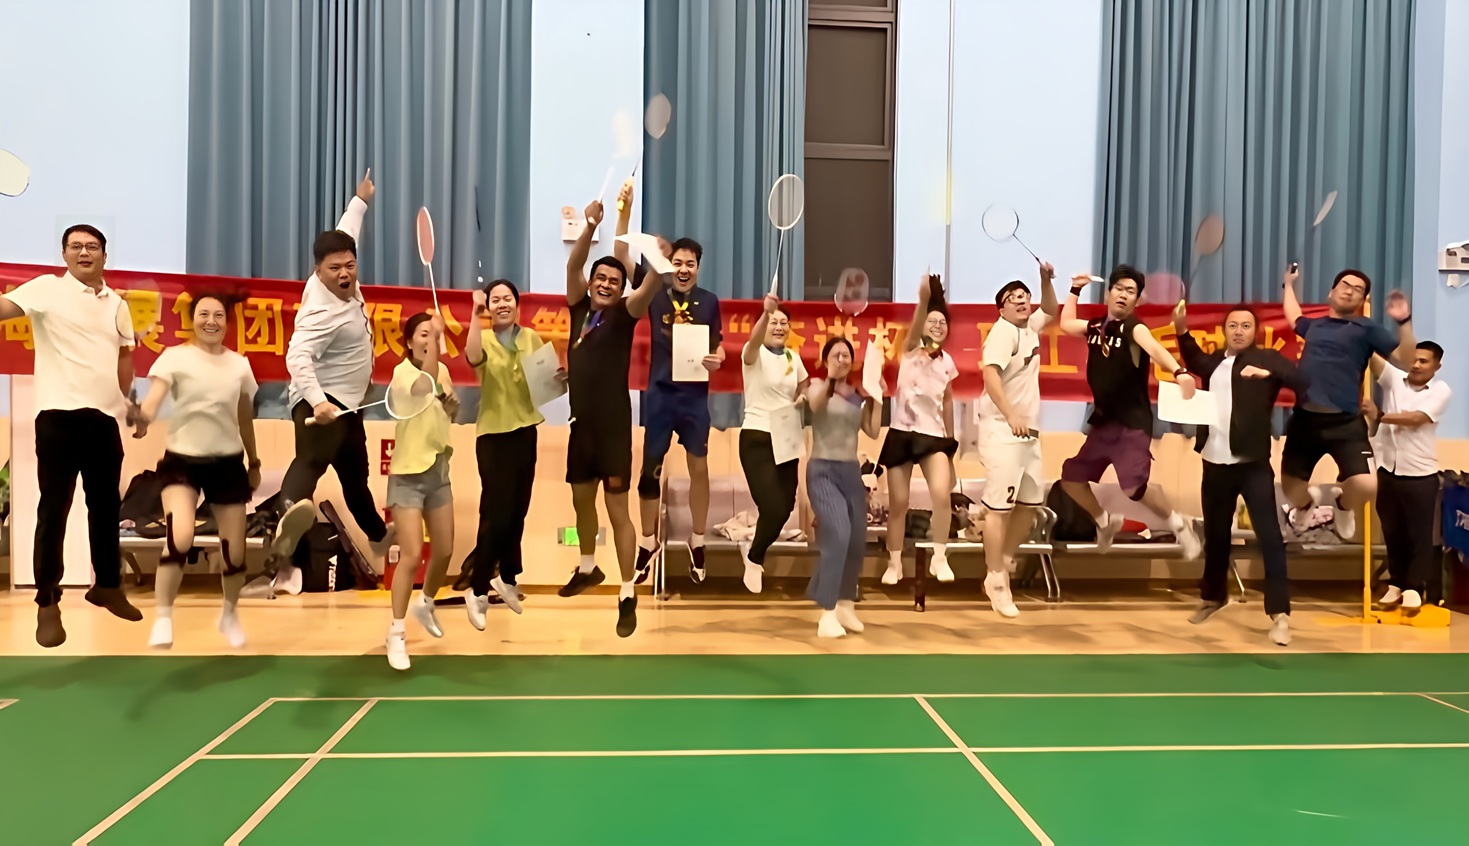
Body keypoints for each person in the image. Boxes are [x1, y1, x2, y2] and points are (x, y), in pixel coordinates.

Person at [0, 224, 145, 646]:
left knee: (106, 507)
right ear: (64, 254)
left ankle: (107, 586)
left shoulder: (117, 303)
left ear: (104, 255)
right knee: (54, 509)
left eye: (92, 246)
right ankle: (47, 601)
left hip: (104, 419)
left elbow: (124, 359)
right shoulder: (46, 288)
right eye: (76, 246)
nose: (84, 252)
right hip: (58, 417)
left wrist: (130, 403)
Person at [260, 169, 393, 593]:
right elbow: (296, 356)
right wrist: (318, 401)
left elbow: (346, 231)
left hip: (349, 406)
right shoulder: (321, 311)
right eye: (334, 268)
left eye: (350, 266)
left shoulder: (343, 271)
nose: (344, 274)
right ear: (317, 271)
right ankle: (286, 513)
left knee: (356, 481)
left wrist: (361, 200)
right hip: (321, 401)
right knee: (312, 461)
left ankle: (379, 536)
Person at [1173, 302, 1306, 646]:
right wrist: (1181, 327)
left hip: (1252, 465)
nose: (1239, 331)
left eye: (1246, 326)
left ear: (1255, 331)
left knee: (1269, 537)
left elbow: (1301, 380)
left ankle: (1280, 614)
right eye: (1233, 325)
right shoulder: (1214, 362)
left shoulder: (1268, 359)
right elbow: (1193, 358)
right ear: (1224, 330)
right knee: (1216, 535)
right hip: (1214, 462)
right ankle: (1213, 597)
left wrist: (1270, 375)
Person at [134, 293, 261, 649]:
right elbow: (153, 401)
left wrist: (254, 461)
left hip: (228, 463)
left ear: (227, 322)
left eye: (218, 315)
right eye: (204, 314)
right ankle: (163, 617)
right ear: (192, 320)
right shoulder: (174, 358)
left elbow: (244, 418)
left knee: (235, 553)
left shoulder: (239, 365)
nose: (211, 321)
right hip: (182, 463)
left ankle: (229, 614)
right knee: (179, 538)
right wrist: (142, 418)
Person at [559, 199, 662, 637]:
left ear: (621, 290)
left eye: (613, 280)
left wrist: (656, 256)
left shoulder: (626, 313)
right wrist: (589, 226)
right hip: (580, 428)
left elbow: (652, 282)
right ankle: (587, 566)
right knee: (581, 502)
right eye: (600, 277)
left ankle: (626, 592)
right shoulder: (577, 306)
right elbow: (574, 264)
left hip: (615, 431)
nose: (604, 283)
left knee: (617, 511)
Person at [614, 189, 723, 584]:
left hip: (694, 399)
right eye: (677, 262)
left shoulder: (710, 302)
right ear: (669, 264)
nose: (683, 269)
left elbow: (717, 345)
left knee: (699, 467)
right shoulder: (655, 292)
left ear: (698, 268)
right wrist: (625, 211)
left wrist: (718, 358)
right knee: (649, 472)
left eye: (690, 264)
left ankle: (698, 539)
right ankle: (648, 543)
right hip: (660, 396)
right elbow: (622, 255)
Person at [1056, 266, 1202, 558]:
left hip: (1131, 424)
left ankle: (1179, 526)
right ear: (1108, 293)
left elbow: (1156, 349)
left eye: (1130, 291)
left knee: (1134, 488)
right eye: (1119, 289)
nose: (1123, 295)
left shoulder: (1135, 328)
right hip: (1103, 423)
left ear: (1137, 300)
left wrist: (1180, 372)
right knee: (1071, 479)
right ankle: (1104, 522)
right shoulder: (1096, 327)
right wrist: (1075, 289)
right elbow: (1066, 323)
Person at [1280, 266, 1415, 538]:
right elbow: (1293, 316)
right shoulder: (1315, 326)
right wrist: (1289, 284)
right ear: (1331, 293)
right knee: (1291, 489)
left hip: (1345, 423)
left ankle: (1342, 507)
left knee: (1367, 486)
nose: (1350, 290)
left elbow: (1407, 359)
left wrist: (1404, 322)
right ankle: (1306, 507)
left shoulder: (1367, 329)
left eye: (1358, 289)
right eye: (1345, 284)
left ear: (1362, 300)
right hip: (1305, 421)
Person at [463, 278, 558, 625]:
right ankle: (477, 588)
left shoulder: (530, 337)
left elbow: (544, 384)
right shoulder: (484, 337)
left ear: (517, 304)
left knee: (518, 509)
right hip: (493, 435)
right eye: (495, 300)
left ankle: (507, 578)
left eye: (507, 298)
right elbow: (472, 357)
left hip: (525, 430)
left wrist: (558, 380)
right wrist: (475, 315)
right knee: (496, 512)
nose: (502, 304)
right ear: (488, 307)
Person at [976, 263, 1059, 618]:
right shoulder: (1002, 333)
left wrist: (1045, 280)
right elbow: (990, 375)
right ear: (1001, 308)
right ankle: (996, 579)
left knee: (1029, 505)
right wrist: (1010, 414)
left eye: (1025, 296)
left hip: (1029, 434)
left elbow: (1051, 309)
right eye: (1014, 298)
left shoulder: (1029, 327)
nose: (1022, 301)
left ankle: (1003, 562)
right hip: (1002, 431)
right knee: (999, 509)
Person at [383, 313, 458, 671]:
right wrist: (438, 341)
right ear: (410, 341)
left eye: (433, 333)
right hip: (408, 476)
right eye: (423, 334)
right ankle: (396, 633)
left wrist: (452, 408)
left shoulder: (441, 371)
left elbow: (446, 409)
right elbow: (423, 387)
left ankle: (425, 602)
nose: (429, 339)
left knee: (444, 550)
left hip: (438, 471)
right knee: (412, 555)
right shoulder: (402, 374)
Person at [880, 274, 960, 584]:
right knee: (898, 503)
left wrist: (951, 441)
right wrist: (924, 300)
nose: (938, 326)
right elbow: (915, 326)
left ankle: (939, 556)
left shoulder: (948, 362)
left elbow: (948, 401)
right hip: (901, 434)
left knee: (941, 495)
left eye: (943, 323)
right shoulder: (911, 350)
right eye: (932, 321)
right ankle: (894, 562)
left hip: (934, 437)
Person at [1365, 341, 1451, 610]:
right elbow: (1371, 357)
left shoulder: (1441, 390)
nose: (1416, 365)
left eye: (1423, 361)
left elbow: (1417, 419)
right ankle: (1396, 584)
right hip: (1387, 470)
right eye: (1414, 359)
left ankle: (1415, 587)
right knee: (1392, 533)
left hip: (1420, 474)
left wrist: (1380, 416)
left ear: (1437, 366)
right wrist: (1358, 329)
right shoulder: (1394, 380)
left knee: (1418, 535)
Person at [806, 338, 882, 637]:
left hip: (851, 472)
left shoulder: (856, 395)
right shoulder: (817, 386)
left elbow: (872, 430)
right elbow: (815, 405)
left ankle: (845, 604)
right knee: (838, 534)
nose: (842, 359)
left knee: (856, 540)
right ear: (825, 360)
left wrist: (877, 398)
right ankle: (827, 612)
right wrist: (830, 379)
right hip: (823, 471)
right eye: (836, 355)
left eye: (847, 355)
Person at [737, 293, 809, 593]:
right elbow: (753, 342)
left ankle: (753, 552)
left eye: (783, 323)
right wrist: (765, 313)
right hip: (757, 435)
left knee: (786, 506)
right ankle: (755, 558)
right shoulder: (753, 353)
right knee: (772, 505)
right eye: (773, 322)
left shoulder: (794, 358)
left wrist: (803, 396)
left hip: (787, 435)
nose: (779, 327)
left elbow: (804, 385)